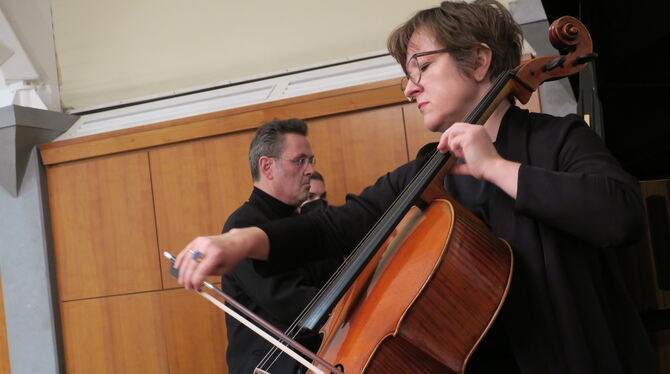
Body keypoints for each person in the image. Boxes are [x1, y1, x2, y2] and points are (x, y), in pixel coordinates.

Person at [176, 1, 659, 373]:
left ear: (478, 62)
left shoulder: (557, 139)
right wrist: (240, 241)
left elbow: (621, 214)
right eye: (408, 74)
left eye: (421, 67)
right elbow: (335, 226)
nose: (409, 87)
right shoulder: (429, 170)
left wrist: (495, 168)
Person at [218, 118, 341, 374]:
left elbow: (333, 277)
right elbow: (292, 303)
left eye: (311, 161)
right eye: (300, 160)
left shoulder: (301, 223)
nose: (309, 170)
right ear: (267, 167)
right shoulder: (243, 227)